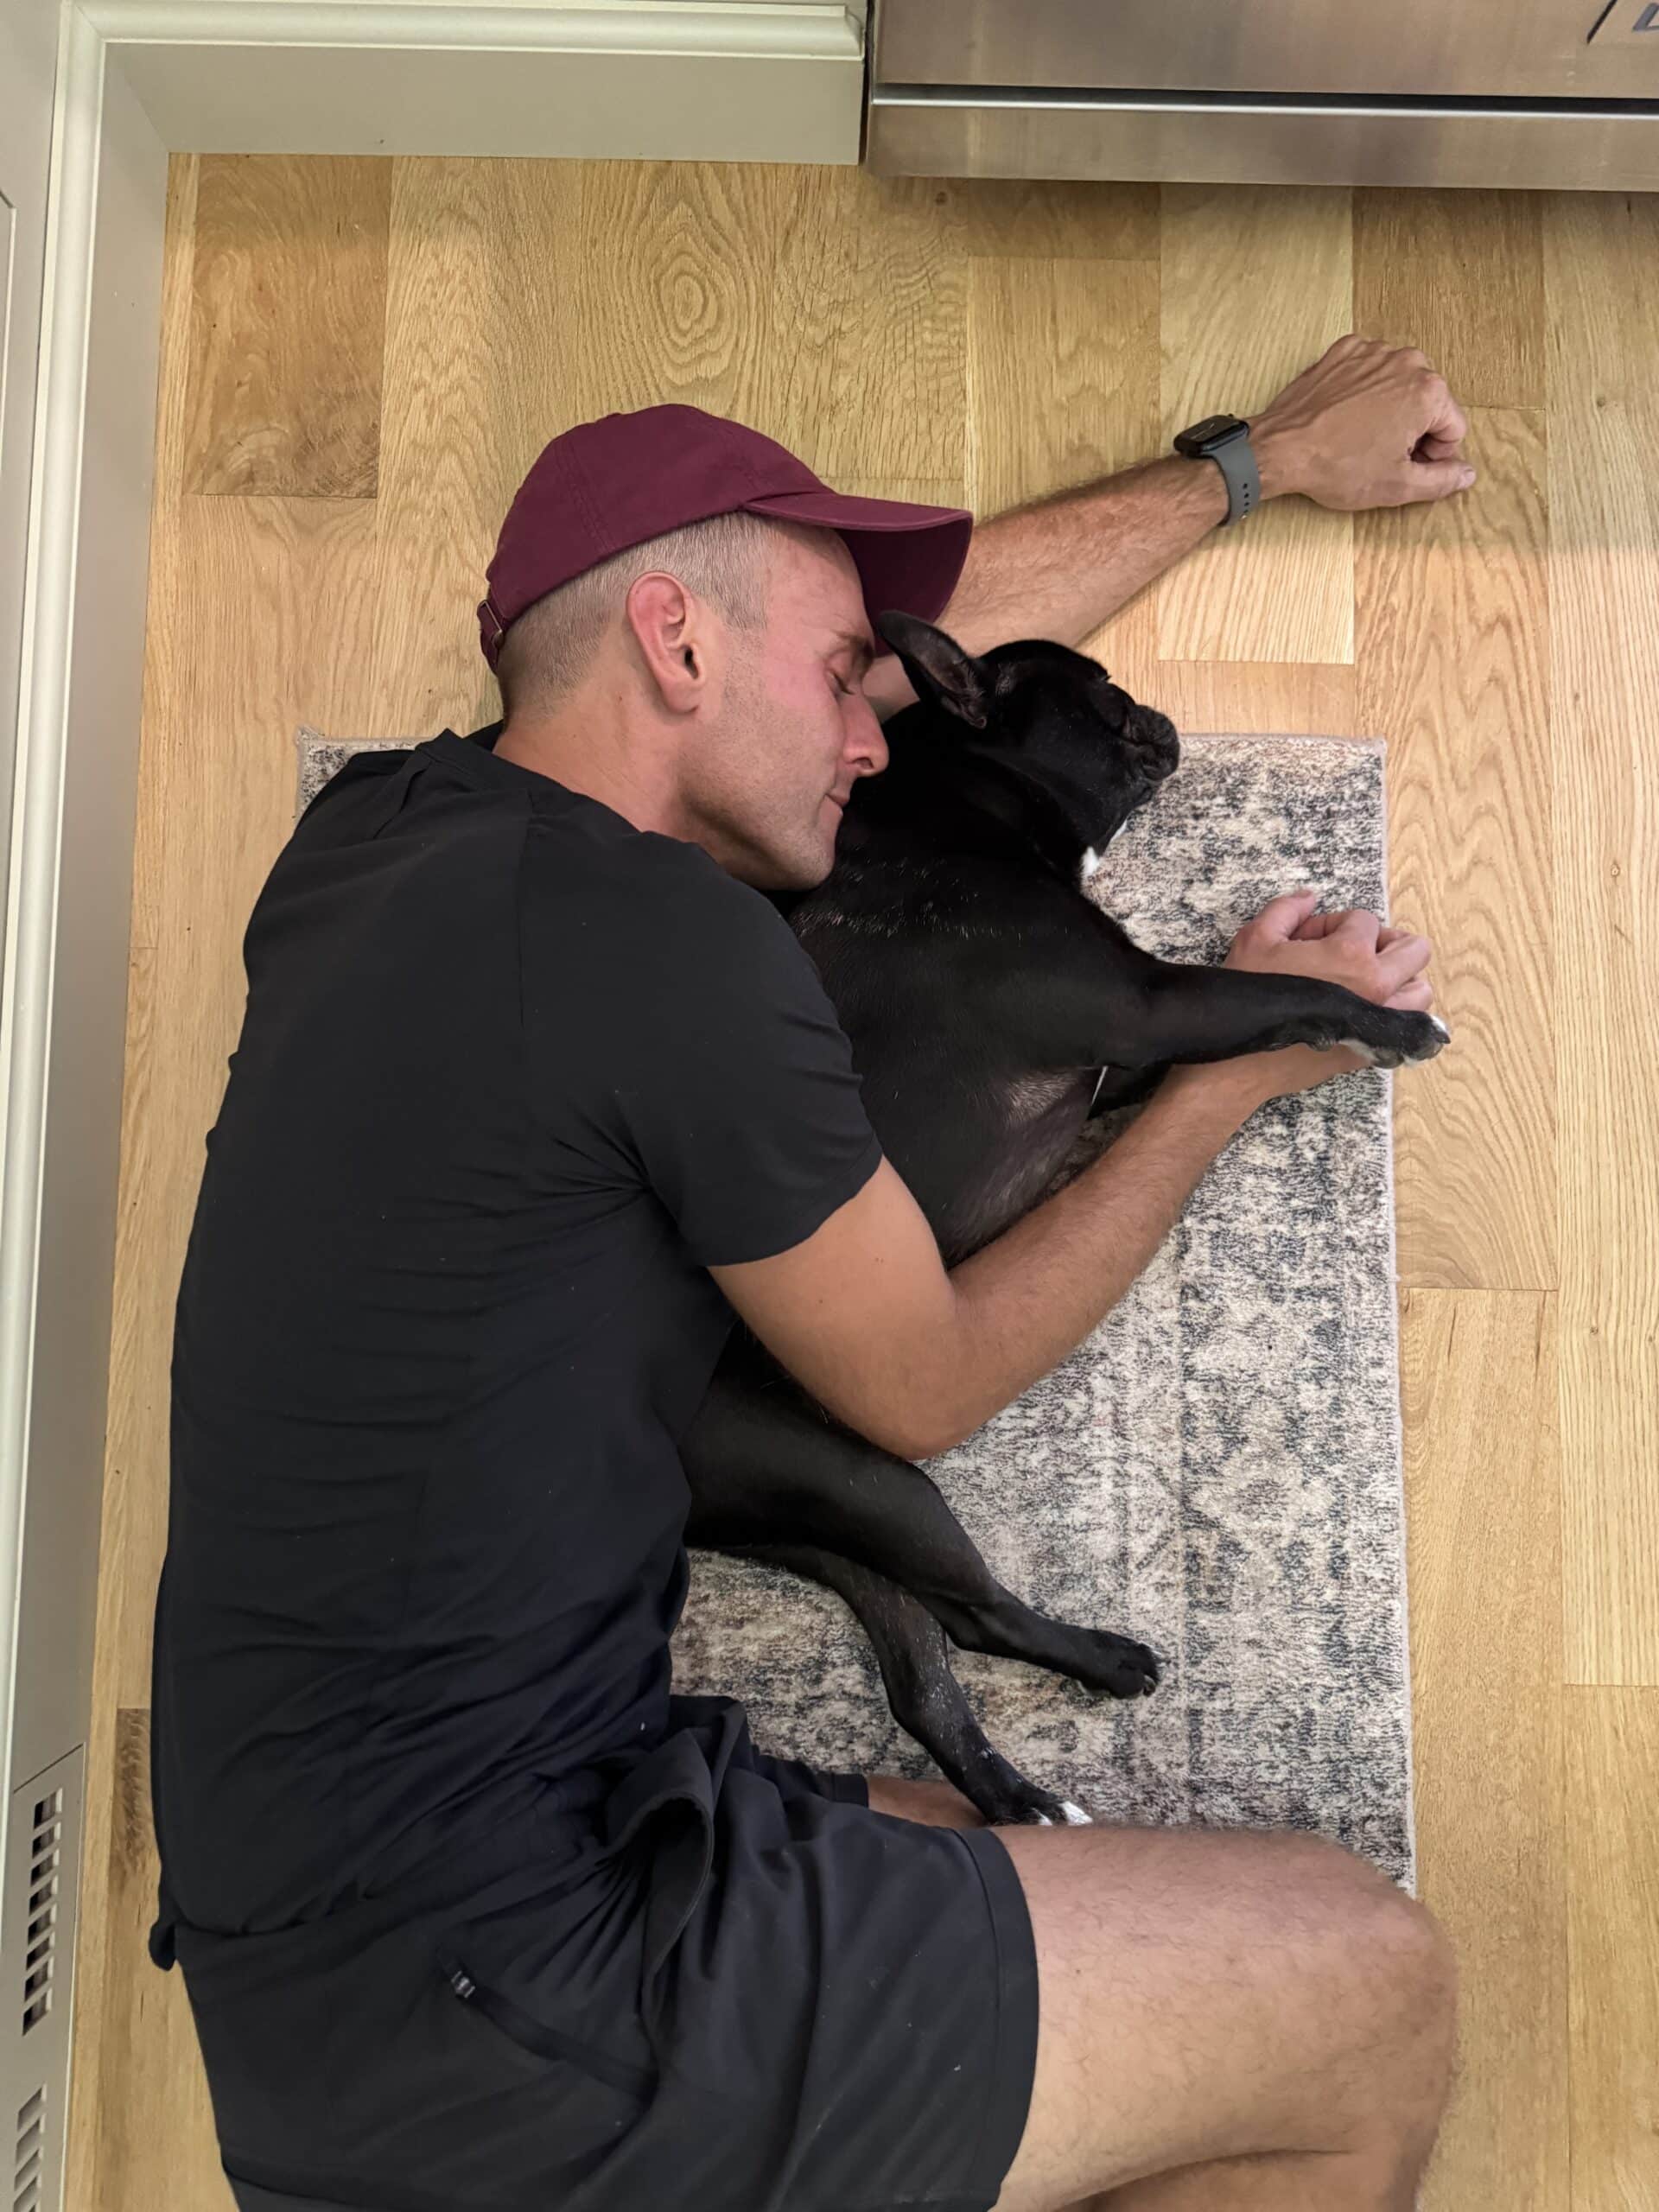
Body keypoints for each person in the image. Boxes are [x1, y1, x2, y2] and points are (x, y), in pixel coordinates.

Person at [149, 335, 1462, 2212]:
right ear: (675, 644)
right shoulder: (668, 949)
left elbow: (893, 626)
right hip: (515, 1990)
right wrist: (1226, 1070)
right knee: (1367, 1989)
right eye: (850, 683)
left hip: (345, 1966)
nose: (883, 731)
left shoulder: (363, 845)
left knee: (967, 1841)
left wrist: (1251, 471)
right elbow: (923, 1383)